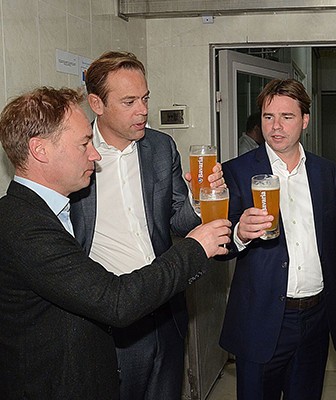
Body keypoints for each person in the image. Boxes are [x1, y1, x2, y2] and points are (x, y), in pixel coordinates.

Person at [0, 86, 231, 399]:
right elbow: (116, 301)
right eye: (84, 143)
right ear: (40, 150)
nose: (95, 155)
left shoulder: (50, 210)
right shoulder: (24, 226)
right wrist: (195, 247)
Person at [70, 51, 221, 400]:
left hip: (166, 308)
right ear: (97, 104)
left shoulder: (161, 147)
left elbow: (178, 221)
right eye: (129, 101)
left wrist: (200, 201)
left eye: (145, 98)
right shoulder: (77, 154)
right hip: (109, 317)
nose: (142, 110)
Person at [220, 78, 336, 400]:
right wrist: (238, 233)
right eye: (268, 117)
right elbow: (218, 247)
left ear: (305, 120)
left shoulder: (325, 173)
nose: (276, 126)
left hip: (316, 318)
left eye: (287, 117)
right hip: (261, 320)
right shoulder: (237, 172)